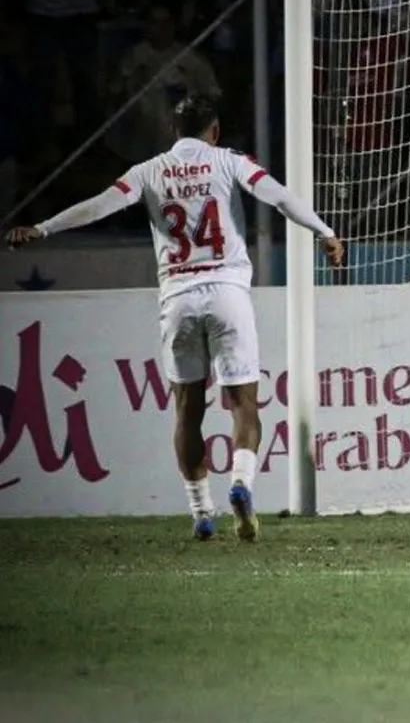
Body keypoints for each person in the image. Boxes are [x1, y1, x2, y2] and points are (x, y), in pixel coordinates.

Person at [5, 96, 347, 542]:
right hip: (227, 293)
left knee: (188, 409)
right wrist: (324, 231)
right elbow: (278, 197)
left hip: (179, 297)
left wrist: (44, 228)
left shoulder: (149, 170)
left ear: (173, 131)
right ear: (215, 131)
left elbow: (100, 204)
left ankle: (200, 510)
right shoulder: (229, 161)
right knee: (243, 403)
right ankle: (241, 484)